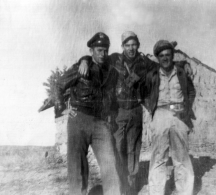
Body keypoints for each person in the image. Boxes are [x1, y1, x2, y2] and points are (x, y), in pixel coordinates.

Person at [78, 31, 156, 194]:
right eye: (127, 45)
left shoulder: (144, 62)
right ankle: (119, 187)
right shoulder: (114, 59)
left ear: (138, 45)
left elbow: (162, 66)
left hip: (136, 111)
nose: (131, 48)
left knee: (133, 149)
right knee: (117, 148)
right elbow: (94, 58)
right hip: (118, 111)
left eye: (134, 44)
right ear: (122, 47)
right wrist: (83, 60)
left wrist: (184, 64)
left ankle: (131, 187)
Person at [54, 32, 121, 195]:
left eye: (105, 50)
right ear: (91, 51)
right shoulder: (81, 67)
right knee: (77, 166)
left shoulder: (112, 72)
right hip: (79, 120)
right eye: (99, 50)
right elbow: (58, 85)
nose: (103, 54)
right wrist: (63, 109)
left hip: (100, 122)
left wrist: (110, 115)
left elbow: (112, 97)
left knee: (109, 164)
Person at [145, 40, 195, 195]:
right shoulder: (152, 74)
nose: (165, 58)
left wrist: (186, 109)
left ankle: (185, 191)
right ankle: (156, 192)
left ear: (172, 56)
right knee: (158, 157)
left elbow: (191, 92)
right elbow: (145, 94)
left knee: (181, 157)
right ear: (157, 58)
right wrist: (152, 113)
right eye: (161, 56)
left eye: (168, 55)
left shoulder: (181, 72)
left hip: (179, 115)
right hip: (160, 114)